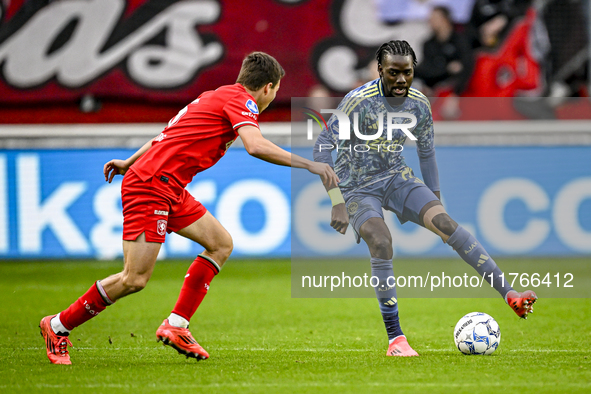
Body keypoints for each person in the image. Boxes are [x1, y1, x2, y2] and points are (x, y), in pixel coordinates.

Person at [39, 52, 339, 365]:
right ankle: (58, 326)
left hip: (169, 186)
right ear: (267, 87)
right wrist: (309, 164)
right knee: (134, 279)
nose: (273, 97)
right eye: (276, 91)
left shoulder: (212, 96)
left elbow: (165, 135)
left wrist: (129, 161)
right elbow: (255, 145)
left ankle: (177, 324)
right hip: (151, 185)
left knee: (220, 244)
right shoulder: (242, 101)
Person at [313, 40, 537, 357]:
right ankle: (396, 339)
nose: (402, 80)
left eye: (407, 73)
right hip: (357, 187)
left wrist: (435, 201)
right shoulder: (357, 102)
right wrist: (336, 199)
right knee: (381, 240)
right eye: (394, 73)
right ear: (380, 71)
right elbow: (322, 146)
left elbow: (426, 153)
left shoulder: (418, 103)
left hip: (395, 177)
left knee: (447, 224)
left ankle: (510, 295)